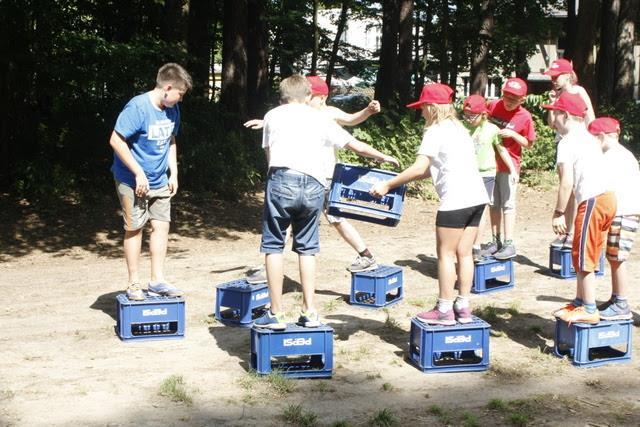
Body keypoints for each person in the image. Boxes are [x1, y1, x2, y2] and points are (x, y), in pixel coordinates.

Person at [254, 75, 399, 330]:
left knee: (274, 246)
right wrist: (383, 157)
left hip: (281, 178)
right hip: (314, 184)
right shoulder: (321, 118)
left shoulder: (272, 115)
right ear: (308, 96)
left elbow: (269, 155)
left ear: (283, 96)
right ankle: (309, 312)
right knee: (307, 249)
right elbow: (355, 145)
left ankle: (275, 314)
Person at [244, 76, 382, 284]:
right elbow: (285, 122)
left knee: (331, 219)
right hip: (308, 177)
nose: (308, 101)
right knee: (321, 219)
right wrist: (264, 122)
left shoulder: (328, 114)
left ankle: (366, 255)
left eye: (313, 97)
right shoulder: (303, 113)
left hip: (323, 176)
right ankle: (366, 255)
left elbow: (352, 120)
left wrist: (368, 112)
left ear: (321, 97)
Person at [370, 83, 488, 325]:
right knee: (465, 253)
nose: (420, 112)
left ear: (432, 107)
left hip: (456, 201)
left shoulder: (435, 131)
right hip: (477, 198)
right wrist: (402, 179)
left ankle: (444, 310)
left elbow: (420, 167)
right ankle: (463, 307)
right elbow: (434, 169)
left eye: (423, 107)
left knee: (445, 254)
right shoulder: (460, 129)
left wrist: (388, 185)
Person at [109, 63, 192, 300]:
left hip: (159, 180)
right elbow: (116, 140)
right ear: (167, 88)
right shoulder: (138, 107)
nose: (180, 100)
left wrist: (173, 173)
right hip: (131, 180)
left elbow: (170, 141)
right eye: (180, 94)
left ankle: (157, 280)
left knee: (161, 226)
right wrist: (138, 172)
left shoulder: (172, 110)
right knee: (134, 228)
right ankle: (134, 283)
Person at [544, 93, 616, 324]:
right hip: (607, 198)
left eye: (554, 113)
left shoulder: (567, 142)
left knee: (583, 254)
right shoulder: (588, 137)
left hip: (593, 200)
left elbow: (567, 182)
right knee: (586, 251)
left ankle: (589, 308)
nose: (551, 118)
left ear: (564, 115)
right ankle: (579, 300)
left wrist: (558, 213)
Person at [588, 117, 640, 320]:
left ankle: (621, 303)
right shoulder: (620, 154)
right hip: (621, 212)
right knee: (613, 257)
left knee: (617, 258)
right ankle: (615, 297)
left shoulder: (613, 157)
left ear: (601, 137)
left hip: (624, 212)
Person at [481, 78, 536, 260]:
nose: (509, 101)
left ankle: (509, 243)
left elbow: (529, 144)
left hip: (510, 164)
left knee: (508, 205)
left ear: (522, 100)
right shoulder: (493, 105)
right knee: (493, 204)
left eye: (514, 99)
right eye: (507, 96)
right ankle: (495, 240)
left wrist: (513, 134)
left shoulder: (525, 117)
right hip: (489, 163)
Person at [544, 58, 596, 249]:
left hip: (578, 140)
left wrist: (593, 140)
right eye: (552, 77)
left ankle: (574, 232)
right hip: (563, 140)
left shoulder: (578, 91)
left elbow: (590, 117)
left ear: (568, 75)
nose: (554, 80)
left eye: (557, 76)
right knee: (567, 187)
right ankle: (566, 232)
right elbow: (552, 124)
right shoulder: (556, 95)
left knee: (575, 186)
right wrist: (552, 103)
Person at [461, 94, 516, 262]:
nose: (469, 119)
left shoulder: (492, 129)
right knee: (467, 210)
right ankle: (466, 244)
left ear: (483, 114)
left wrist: (512, 169)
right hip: (468, 174)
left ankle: (476, 247)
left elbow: (502, 150)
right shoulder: (462, 129)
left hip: (486, 174)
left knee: (482, 211)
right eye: (466, 115)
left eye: (472, 115)